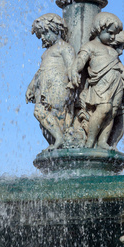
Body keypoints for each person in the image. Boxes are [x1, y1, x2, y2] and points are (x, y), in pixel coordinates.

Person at [70, 12, 124, 149]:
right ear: (99, 29)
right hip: (101, 85)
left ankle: (103, 141)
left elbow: (121, 69)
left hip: (116, 85)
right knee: (104, 108)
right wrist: (74, 71)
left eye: (115, 34)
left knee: (112, 112)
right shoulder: (90, 46)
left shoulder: (112, 51)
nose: (113, 37)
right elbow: (80, 60)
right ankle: (90, 140)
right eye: (110, 33)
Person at [26, 13, 77, 148]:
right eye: (40, 35)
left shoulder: (65, 47)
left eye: (44, 33)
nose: (42, 38)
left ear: (55, 29)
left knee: (46, 111)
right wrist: (31, 87)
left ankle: (59, 138)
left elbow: (71, 66)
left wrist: (73, 81)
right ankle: (57, 140)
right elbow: (40, 71)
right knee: (47, 113)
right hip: (45, 87)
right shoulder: (46, 52)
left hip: (58, 85)